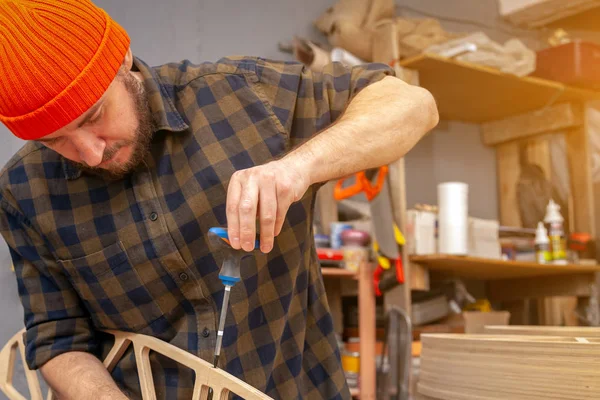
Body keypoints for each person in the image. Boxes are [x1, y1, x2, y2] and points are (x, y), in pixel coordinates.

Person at [0, 0, 438, 399]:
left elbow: (412, 104)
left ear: (122, 59)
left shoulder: (241, 97)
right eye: (56, 141)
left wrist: (298, 167)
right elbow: (58, 340)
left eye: (95, 116)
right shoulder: (23, 189)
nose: (92, 154)